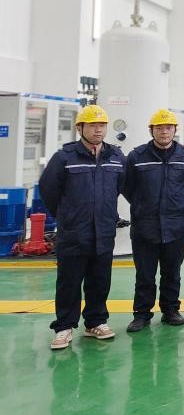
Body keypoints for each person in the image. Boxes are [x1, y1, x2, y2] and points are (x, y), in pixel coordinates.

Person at [40, 105, 126, 350]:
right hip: (73, 232)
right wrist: (65, 216)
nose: (98, 130)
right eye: (92, 125)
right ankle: (64, 326)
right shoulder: (64, 158)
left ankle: (95, 322)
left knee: (100, 279)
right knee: (69, 281)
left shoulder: (116, 157)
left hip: (104, 231)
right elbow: (48, 190)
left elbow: (121, 185)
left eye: (102, 125)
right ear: (80, 128)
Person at [123, 108, 184, 332]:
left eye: (168, 128)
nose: (164, 132)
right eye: (159, 128)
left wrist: (174, 203)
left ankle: (170, 310)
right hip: (144, 226)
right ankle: (141, 314)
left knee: (172, 272)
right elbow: (127, 187)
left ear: (175, 130)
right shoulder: (136, 156)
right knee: (144, 274)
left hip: (175, 226)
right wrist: (143, 205)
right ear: (151, 131)